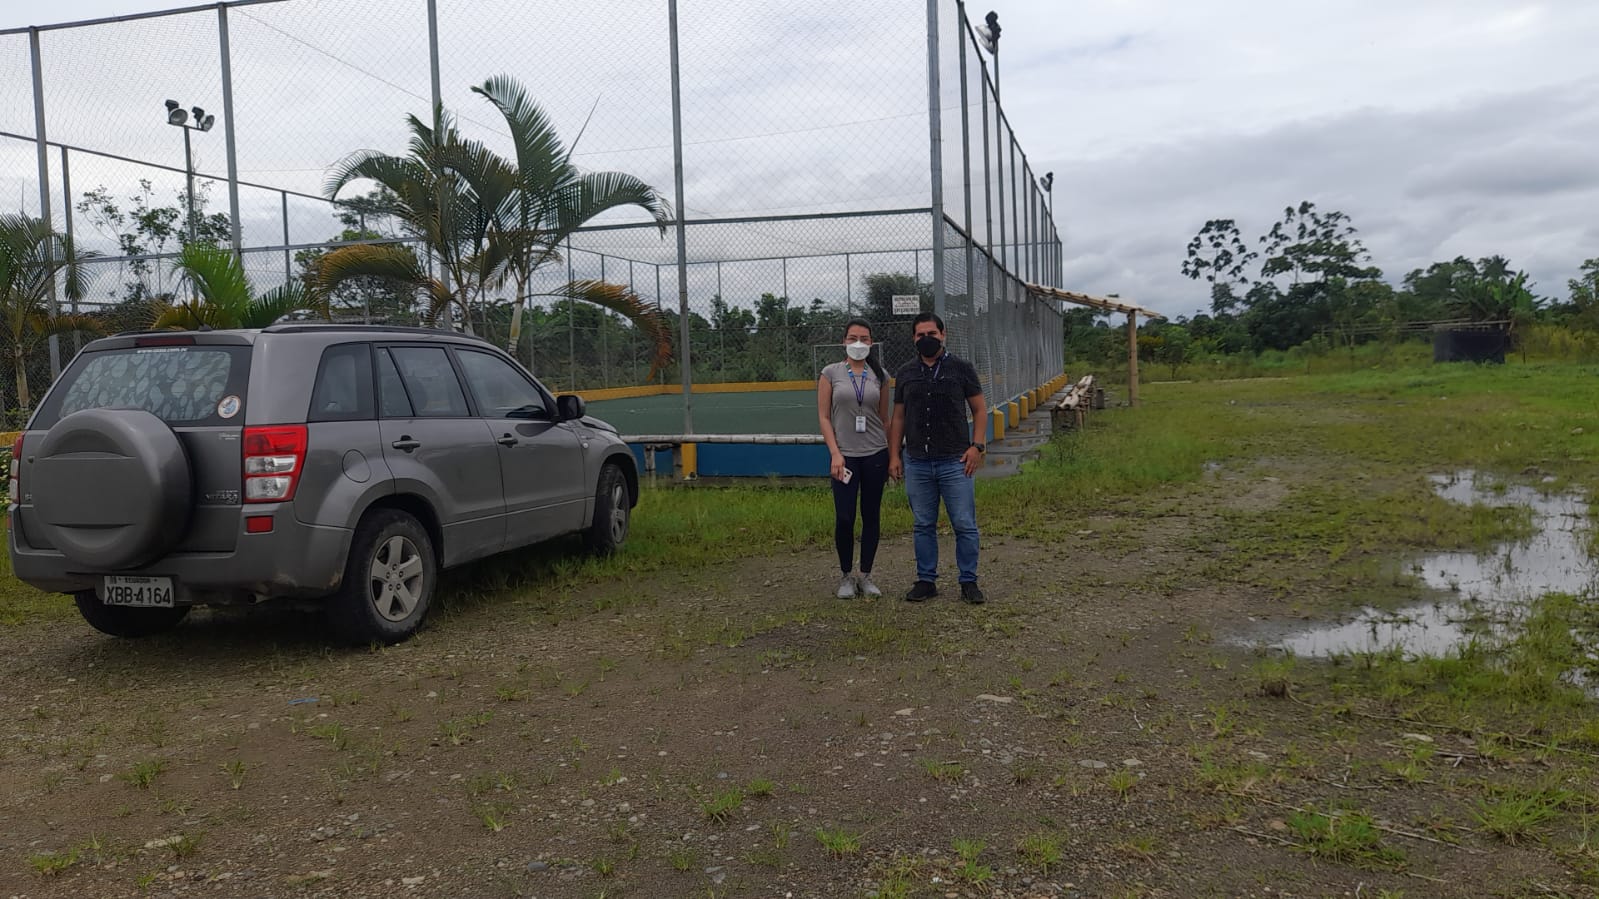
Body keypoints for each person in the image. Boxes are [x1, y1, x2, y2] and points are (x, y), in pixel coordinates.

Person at [887, 312, 988, 604]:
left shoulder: (962, 369)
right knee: (922, 524)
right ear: (913, 338)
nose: (926, 339)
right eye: (920, 335)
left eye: (932, 333)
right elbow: (898, 417)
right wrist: (894, 455)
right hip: (917, 461)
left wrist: (977, 446)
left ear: (943, 335)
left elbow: (979, 410)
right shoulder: (906, 372)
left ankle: (968, 581)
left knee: (964, 523)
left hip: (955, 461)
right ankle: (926, 580)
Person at [817, 319, 891, 598]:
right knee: (845, 517)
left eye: (864, 338)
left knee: (871, 515)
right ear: (843, 341)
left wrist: (892, 455)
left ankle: (865, 575)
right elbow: (824, 416)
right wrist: (835, 453)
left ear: (871, 342)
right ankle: (846, 575)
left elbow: (884, 419)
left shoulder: (880, 375)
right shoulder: (830, 373)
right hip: (845, 457)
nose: (858, 343)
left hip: (875, 453)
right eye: (852, 338)